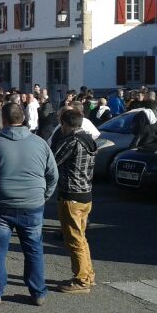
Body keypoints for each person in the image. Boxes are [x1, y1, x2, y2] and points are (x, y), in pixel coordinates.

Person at [0, 103, 58, 306]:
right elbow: (53, 175)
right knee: (33, 249)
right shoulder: (40, 143)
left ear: (3, 120)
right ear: (24, 119)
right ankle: (38, 292)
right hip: (32, 204)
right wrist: (44, 196)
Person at [51, 109, 97, 294]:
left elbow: (53, 160)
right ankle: (87, 274)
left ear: (65, 124)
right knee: (81, 238)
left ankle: (81, 280)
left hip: (71, 195)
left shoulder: (72, 141)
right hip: (86, 193)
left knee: (74, 239)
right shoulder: (88, 139)